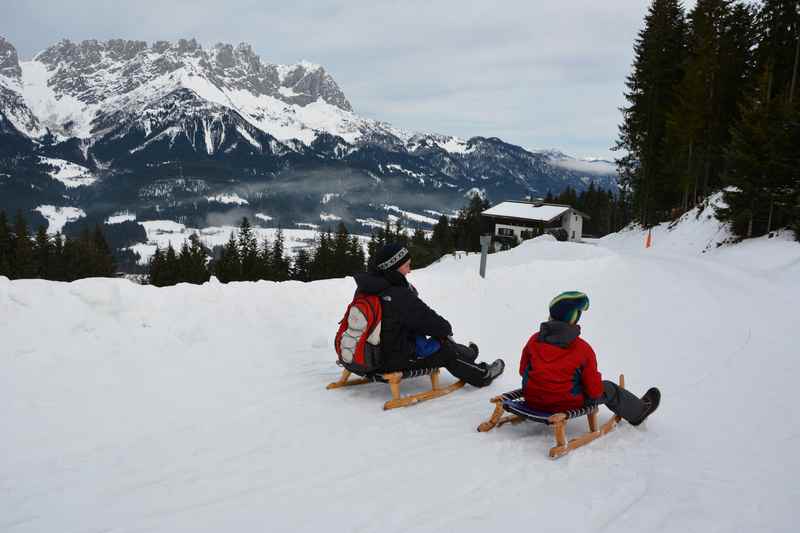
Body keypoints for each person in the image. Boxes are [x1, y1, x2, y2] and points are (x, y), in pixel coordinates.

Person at [353, 243, 505, 387]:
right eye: (407, 266)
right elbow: (430, 321)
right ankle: (482, 375)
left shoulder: (367, 288)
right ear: (393, 268)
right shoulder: (398, 294)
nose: (409, 271)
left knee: (429, 337)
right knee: (445, 349)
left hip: (365, 354)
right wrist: (446, 328)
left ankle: (467, 353)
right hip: (389, 361)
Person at [519, 291, 660, 425]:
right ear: (574, 319)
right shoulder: (582, 349)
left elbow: (522, 370)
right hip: (564, 404)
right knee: (609, 388)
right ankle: (639, 412)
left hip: (532, 399)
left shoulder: (534, 339)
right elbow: (594, 391)